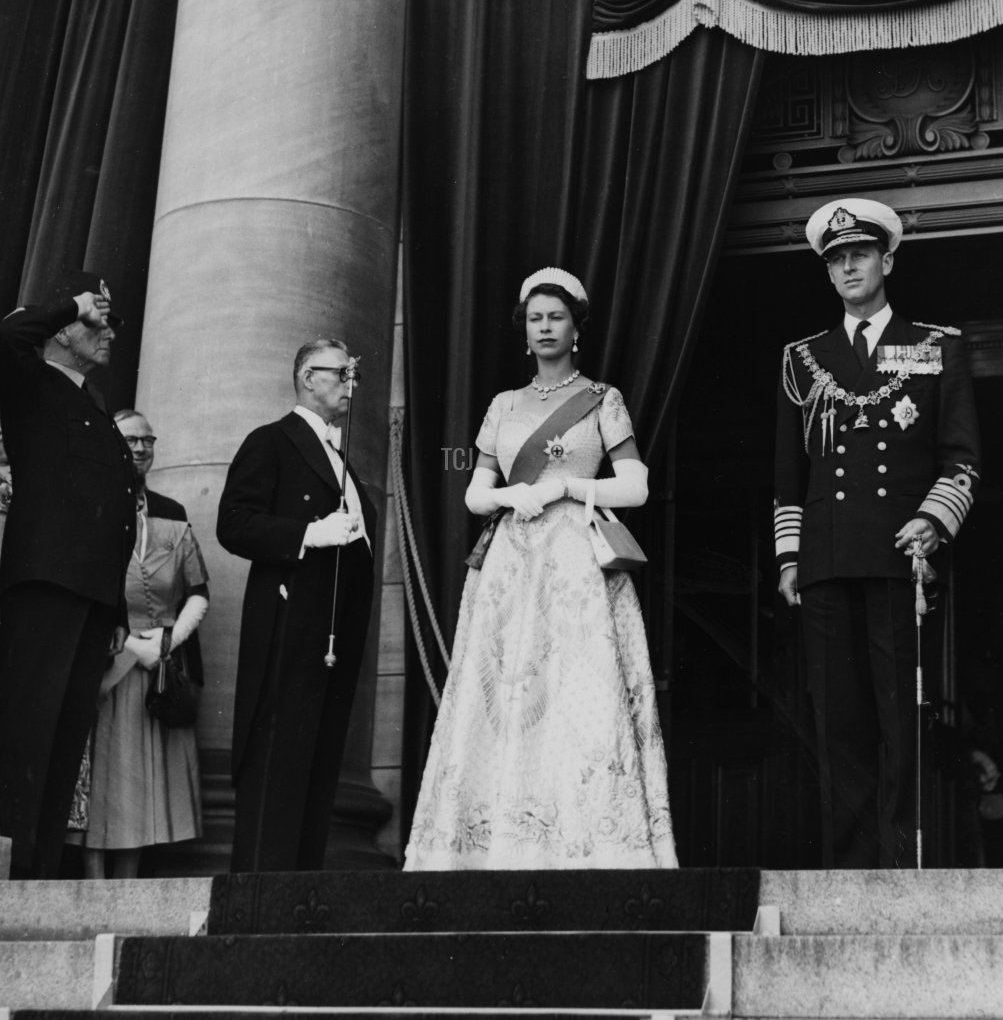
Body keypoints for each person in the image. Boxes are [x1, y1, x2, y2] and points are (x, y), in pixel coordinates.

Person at [404, 267, 676, 870]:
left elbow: (635, 488)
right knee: (507, 695)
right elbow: (476, 494)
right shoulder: (503, 405)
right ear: (523, 333)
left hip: (577, 559)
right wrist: (507, 497)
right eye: (535, 318)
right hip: (511, 564)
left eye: (556, 317)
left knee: (579, 693)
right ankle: (497, 845)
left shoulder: (604, 399)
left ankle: (591, 843)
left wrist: (563, 490)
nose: (545, 327)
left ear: (576, 328)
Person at [774, 199, 981, 869]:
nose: (848, 266)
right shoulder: (804, 360)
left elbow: (962, 458)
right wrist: (789, 558)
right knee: (839, 723)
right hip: (827, 560)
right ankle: (850, 868)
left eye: (859, 253)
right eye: (835, 258)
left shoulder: (934, 345)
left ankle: (901, 863)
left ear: (887, 259)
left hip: (900, 555)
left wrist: (933, 516)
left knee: (900, 719)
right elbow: (787, 475)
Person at [217, 338, 375, 872]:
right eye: (341, 373)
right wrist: (309, 533)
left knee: (316, 761)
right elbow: (233, 524)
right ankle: (262, 896)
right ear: (309, 377)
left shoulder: (340, 457)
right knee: (279, 758)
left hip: (331, 633)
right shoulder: (272, 441)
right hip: (291, 627)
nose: (352, 384)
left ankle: (298, 894)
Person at [0, 272, 139, 878]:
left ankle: (37, 875)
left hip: (91, 596)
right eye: (96, 320)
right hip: (46, 586)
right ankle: (9, 866)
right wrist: (67, 304)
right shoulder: (29, 382)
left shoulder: (94, 404)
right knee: (27, 732)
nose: (108, 331)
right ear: (61, 330)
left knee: (62, 746)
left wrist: (117, 609)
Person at [81, 409, 209, 877]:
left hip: (157, 667)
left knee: (141, 779)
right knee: (101, 776)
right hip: (106, 663)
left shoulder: (171, 513)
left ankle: (129, 880)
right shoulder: (88, 503)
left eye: (148, 441)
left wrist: (165, 642)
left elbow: (197, 591)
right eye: (131, 440)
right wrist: (128, 645)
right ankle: (94, 882)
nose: (140, 449)